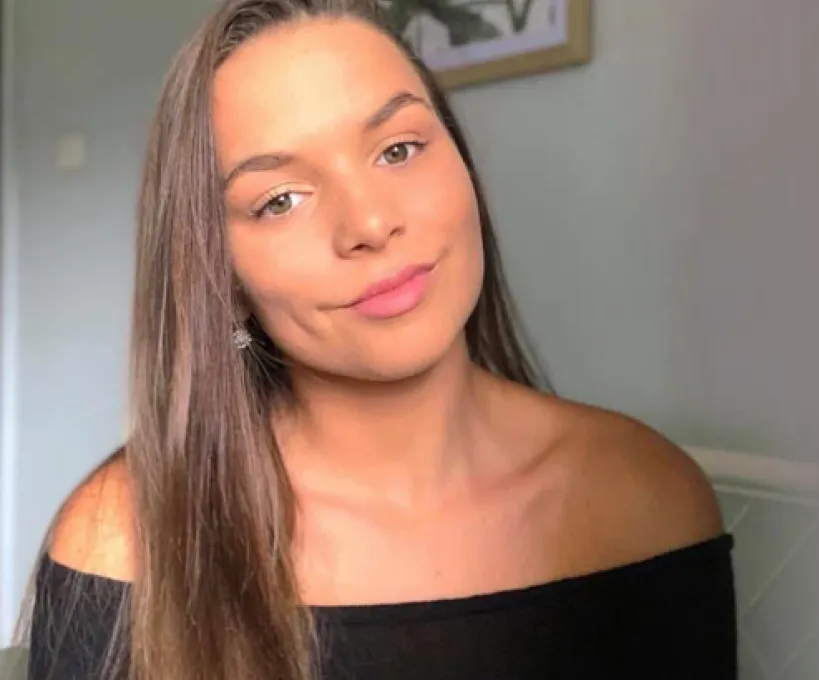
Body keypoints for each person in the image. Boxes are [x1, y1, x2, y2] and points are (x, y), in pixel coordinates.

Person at [17, 1, 737, 678]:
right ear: (222, 275)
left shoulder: (644, 499)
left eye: (398, 149)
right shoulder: (124, 541)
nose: (367, 224)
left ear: (463, 165)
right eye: (279, 200)